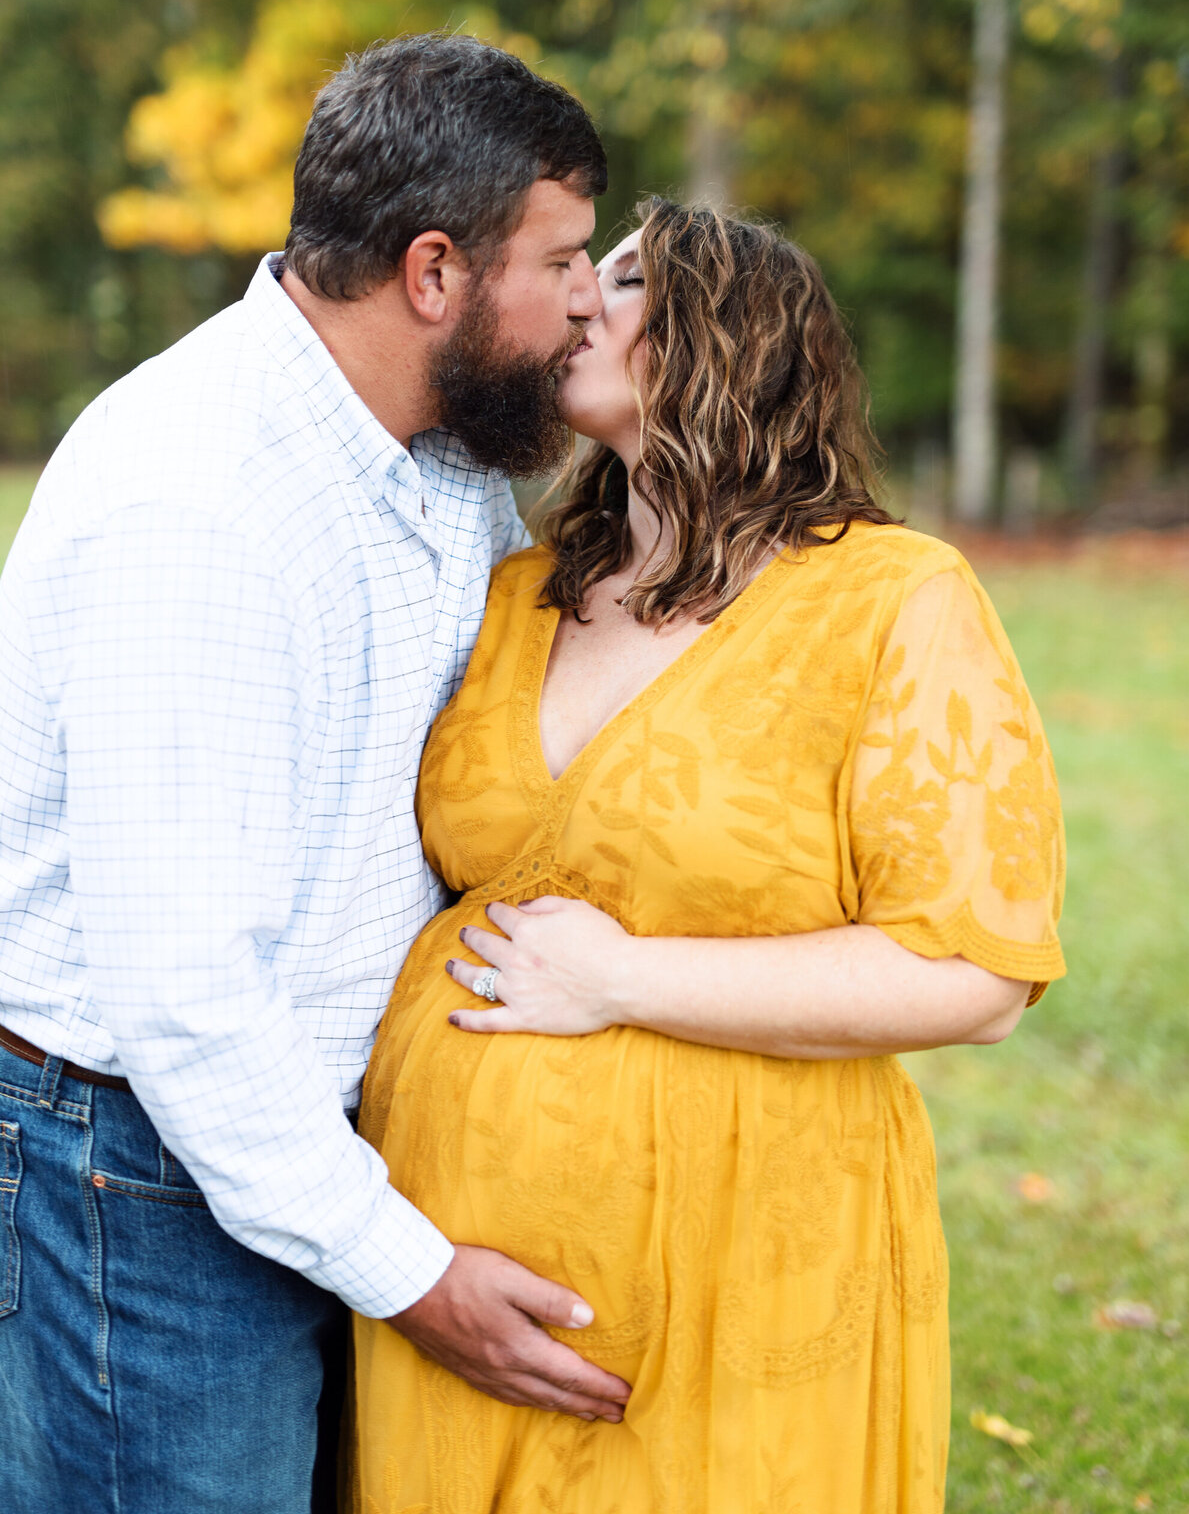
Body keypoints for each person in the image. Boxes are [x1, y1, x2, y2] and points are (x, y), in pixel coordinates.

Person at [349, 199, 1067, 1513]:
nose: (578, 302)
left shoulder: (894, 599)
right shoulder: (522, 588)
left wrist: (626, 981)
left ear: (728, 339)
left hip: (746, 1245)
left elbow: (974, 971)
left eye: (622, 283)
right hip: (447, 1249)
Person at [0, 33, 633, 1514]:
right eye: (566, 259)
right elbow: (185, 996)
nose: (591, 299)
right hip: (143, 1175)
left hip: (310, 1148)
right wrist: (414, 1276)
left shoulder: (440, 451)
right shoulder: (203, 498)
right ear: (434, 274)